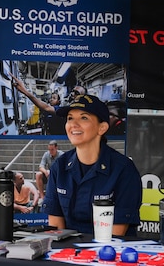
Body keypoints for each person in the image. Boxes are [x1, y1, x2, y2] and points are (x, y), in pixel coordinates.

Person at [43, 94, 142, 236]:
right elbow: (56, 230)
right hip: (67, 252)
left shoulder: (124, 170)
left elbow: (116, 235)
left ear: (102, 128)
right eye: (70, 118)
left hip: (109, 252)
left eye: (84, 118)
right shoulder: (59, 167)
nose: (73, 124)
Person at [10, 73, 85, 134]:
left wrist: (25, 91)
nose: (72, 94)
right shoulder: (67, 108)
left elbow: (46, 107)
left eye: (76, 93)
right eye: (73, 91)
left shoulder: (74, 111)